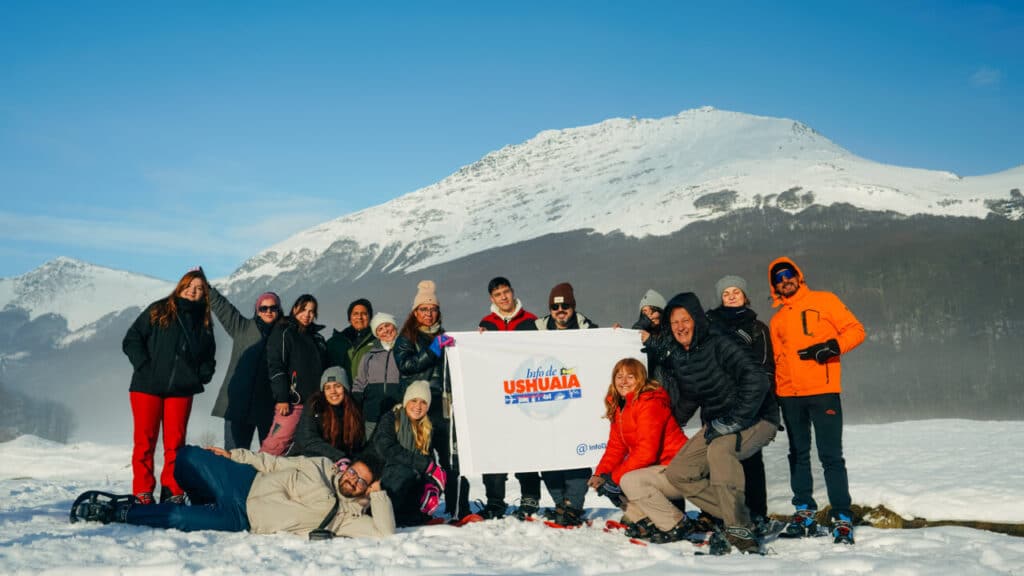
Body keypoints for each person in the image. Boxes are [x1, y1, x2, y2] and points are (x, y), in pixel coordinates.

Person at [629, 292, 780, 554]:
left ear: (697, 320)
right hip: (718, 423)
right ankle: (744, 518)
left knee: (720, 451)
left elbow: (757, 380)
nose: (680, 327)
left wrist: (734, 420)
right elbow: (689, 397)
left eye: (685, 320)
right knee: (680, 473)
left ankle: (739, 532)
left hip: (758, 417)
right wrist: (667, 423)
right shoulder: (683, 355)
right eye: (674, 323)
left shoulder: (720, 342)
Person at [70, 445, 395, 539]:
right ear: (347, 467)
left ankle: (122, 512)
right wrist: (233, 455)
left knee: (180, 518)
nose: (353, 480)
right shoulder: (320, 465)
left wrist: (378, 493)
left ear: (366, 489)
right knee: (187, 457)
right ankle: (203, 499)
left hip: (242, 517)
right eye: (354, 472)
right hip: (244, 482)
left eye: (361, 482)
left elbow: (384, 531)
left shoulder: (346, 518)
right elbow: (272, 462)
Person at [768, 257, 865, 545]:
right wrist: (774, 396)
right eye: (778, 278)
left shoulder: (825, 300)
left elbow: (856, 331)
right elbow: (776, 361)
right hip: (789, 396)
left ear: (798, 275)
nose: (785, 280)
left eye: (788, 274)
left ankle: (842, 518)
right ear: (774, 287)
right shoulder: (777, 320)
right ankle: (804, 513)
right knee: (797, 454)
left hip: (823, 391)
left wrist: (832, 347)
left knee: (830, 456)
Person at [122, 268, 216, 505]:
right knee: (145, 442)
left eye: (199, 288)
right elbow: (132, 339)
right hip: (146, 387)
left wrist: (201, 375)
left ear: (204, 294)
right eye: (189, 286)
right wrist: (144, 366)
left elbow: (209, 356)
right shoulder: (159, 309)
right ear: (181, 286)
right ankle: (143, 491)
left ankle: (172, 490)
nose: (193, 291)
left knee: (175, 445)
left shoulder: (204, 321)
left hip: (181, 390)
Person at [393, 280, 469, 520]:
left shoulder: (447, 337)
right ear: (415, 312)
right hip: (419, 409)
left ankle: (458, 508)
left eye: (433, 309)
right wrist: (433, 350)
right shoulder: (406, 338)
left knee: (451, 460)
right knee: (421, 459)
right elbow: (406, 366)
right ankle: (417, 508)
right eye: (423, 309)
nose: (428, 313)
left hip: (444, 407)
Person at [706, 275, 776, 528]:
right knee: (716, 458)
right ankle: (719, 513)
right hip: (717, 401)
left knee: (751, 460)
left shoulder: (758, 328)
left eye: (736, 292)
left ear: (745, 296)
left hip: (750, 403)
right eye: (726, 293)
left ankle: (756, 513)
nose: (731, 296)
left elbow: (766, 368)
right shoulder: (709, 325)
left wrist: (763, 403)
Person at [588, 358, 687, 528]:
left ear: (640, 379)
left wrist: (614, 478)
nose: (624, 382)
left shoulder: (650, 403)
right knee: (606, 483)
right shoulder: (620, 406)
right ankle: (645, 520)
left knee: (626, 479)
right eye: (619, 376)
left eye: (630, 377)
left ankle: (675, 524)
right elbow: (616, 447)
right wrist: (601, 474)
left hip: (676, 469)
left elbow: (646, 452)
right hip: (655, 470)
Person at [475, 276, 542, 520]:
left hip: (524, 395)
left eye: (506, 292)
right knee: (494, 445)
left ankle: (530, 496)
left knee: (526, 445)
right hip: (496, 396)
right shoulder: (486, 324)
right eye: (498, 294)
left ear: (512, 292)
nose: (503, 297)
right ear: (491, 298)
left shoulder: (531, 321)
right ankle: (495, 500)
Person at [530, 282, 597, 526]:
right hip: (547, 405)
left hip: (578, 404)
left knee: (578, 455)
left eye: (565, 306)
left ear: (573, 307)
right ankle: (560, 503)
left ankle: (574, 505)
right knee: (548, 454)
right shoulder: (534, 329)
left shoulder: (589, 329)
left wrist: (616, 336)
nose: (560, 311)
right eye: (555, 307)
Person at [209, 286, 281, 450]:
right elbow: (223, 308)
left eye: (273, 308)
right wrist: (205, 287)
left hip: (269, 407)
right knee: (234, 455)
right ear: (257, 310)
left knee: (271, 457)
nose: (268, 311)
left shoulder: (284, 335)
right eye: (264, 308)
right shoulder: (242, 327)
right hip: (237, 405)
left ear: (279, 310)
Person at [369, 381, 449, 527]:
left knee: (432, 476)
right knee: (404, 471)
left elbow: (429, 462)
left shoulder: (427, 428)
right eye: (414, 400)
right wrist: (423, 464)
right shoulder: (391, 418)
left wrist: (432, 486)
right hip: (385, 480)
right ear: (406, 401)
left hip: (410, 484)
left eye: (423, 402)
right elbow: (386, 448)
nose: (418, 406)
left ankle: (414, 515)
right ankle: (385, 514)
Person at [261, 294, 329, 456]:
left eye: (311, 311)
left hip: (315, 404)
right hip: (293, 402)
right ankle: (252, 470)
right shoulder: (284, 331)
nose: (307, 314)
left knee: (306, 448)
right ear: (295, 309)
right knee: (276, 445)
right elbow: (276, 365)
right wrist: (282, 397)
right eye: (303, 309)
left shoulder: (317, 338)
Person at [291, 366, 366, 465]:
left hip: (339, 463)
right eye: (328, 387)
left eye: (337, 386)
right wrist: (340, 457)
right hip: (307, 459)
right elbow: (307, 439)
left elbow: (357, 445)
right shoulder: (315, 405)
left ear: (345, 388)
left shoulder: (353, 410)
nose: (333, 391)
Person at [352, 312, 402, 439]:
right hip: (373, 412)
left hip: (398, 412)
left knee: (397, 444)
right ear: (377, 334)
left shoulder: (405, 351)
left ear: (395, 326)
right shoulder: (369, 356)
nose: (385, 330)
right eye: (380, 329)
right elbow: (359, 383)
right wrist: (355, 404)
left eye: (387, 325)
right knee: (371, 445)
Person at [326, 298, 375, 381]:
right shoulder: (335, 342)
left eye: (364, 314)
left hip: (369, 388)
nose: (359, 317)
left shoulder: (378, 341)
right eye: (355, 314)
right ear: (349, 318)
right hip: (341, 388)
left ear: (370, 317)